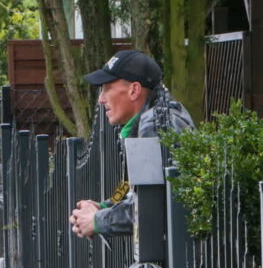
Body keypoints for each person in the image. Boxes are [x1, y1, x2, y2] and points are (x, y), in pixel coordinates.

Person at [69, 50, 194, 238]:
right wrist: (104, 207)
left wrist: (97, 220)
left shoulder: (154, 126)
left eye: (107, 88)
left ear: (134, 90)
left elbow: (149, 209)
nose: (101, 99)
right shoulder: (155, 116)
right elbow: (135, 189)